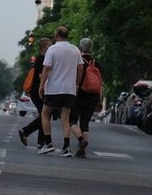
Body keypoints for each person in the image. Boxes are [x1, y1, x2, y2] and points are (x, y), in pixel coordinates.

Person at [37, 26, 83, 156]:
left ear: (56, 35)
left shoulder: (52, 49)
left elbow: (46, 68)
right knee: (65, 118)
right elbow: (80, 68)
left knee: (45, 114)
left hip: (54, 88)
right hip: (69, 89)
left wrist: (41, 85)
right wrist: (76, 83)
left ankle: (48, 143)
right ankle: (66, 147)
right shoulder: (75, 50)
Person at [18, 36, 52, 147]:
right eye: (49, 45)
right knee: (45, 115)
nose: (51, 47)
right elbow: (41, 75)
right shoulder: (42, 59)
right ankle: (26, 131)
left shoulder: (43, 58)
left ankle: (40, 142)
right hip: (38, 91)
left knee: (44, 115)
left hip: (39, 91)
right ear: (44, 47)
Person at [72, 38, 102, 158]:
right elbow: (100, 83)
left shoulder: (79, 62)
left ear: (80, 48)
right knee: (85, 123)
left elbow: (76, 79)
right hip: (93, 96)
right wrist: (99, 98)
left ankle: (80, 140)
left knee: (72, 120)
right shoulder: (97, 63)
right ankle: (82, 150)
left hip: (80, 95)